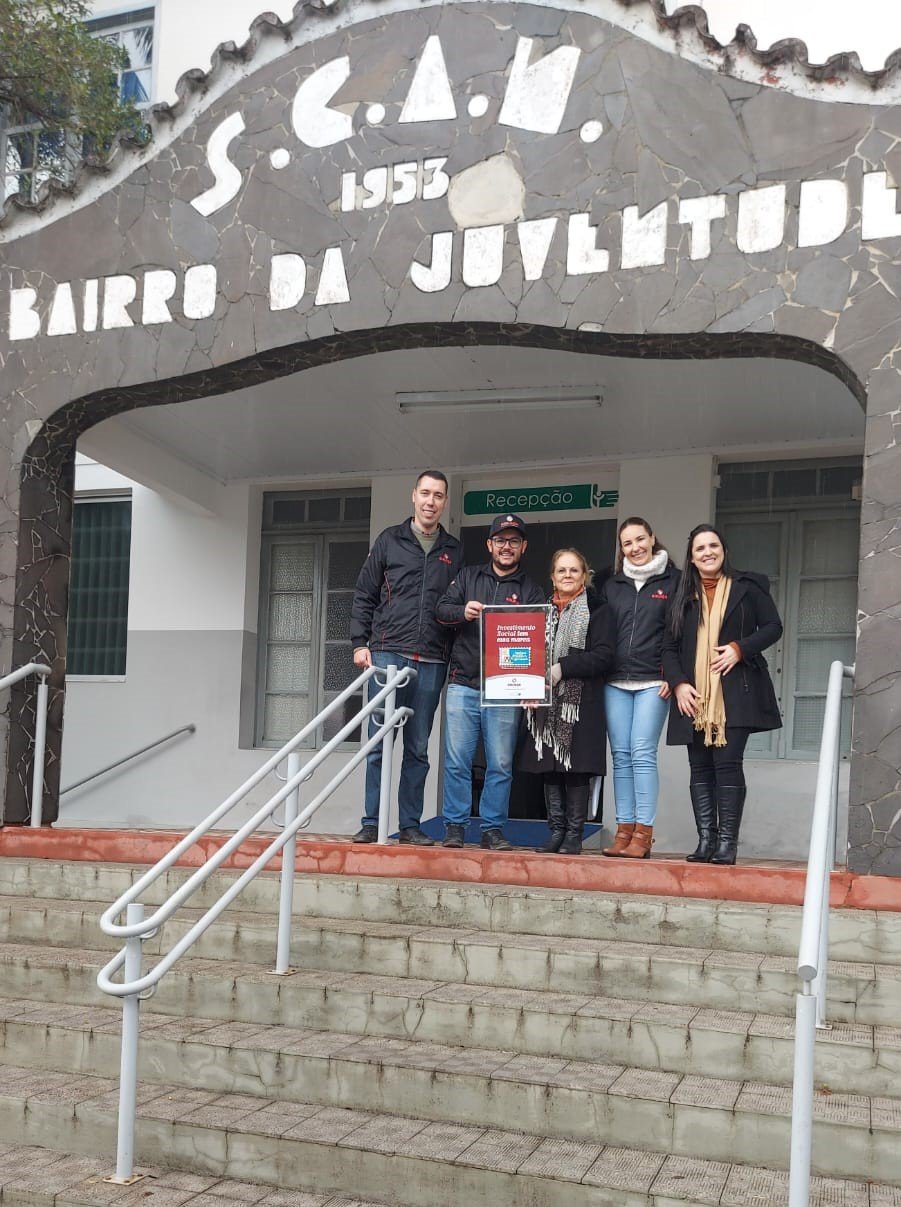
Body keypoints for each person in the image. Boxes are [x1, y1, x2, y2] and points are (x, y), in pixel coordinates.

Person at [350, 470, 464, 845]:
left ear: (445, 502)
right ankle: (372, 822)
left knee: (418, 748)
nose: (431, 501)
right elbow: (365, 593)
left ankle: (410, 825)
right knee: (379, 744)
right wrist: (359, 643)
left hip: (432, 660)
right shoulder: (389, 540)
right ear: (413, 496)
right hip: (387, 654)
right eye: (426, 493)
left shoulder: (454, 550)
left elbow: (456, 608)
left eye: (439, 495)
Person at [663, 524, 783, 865]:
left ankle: (727, 844)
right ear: (691, 556)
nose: (707, 552)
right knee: (699, 768)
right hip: (693, 693)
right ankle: (706, 841)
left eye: (713, 546)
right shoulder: (681, 593)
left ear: (723, 550)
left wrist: (739, 649)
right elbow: (668, 646)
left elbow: (774, 627)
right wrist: (679, 684)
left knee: (727, 764)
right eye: (700, 548)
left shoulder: (748, 586)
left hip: (736, 691)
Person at [436, 515, 545, 850]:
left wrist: (532, 688)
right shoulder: (467, 577)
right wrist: (462, 611)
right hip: (463, 683)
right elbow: (441, 609)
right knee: (457, 760)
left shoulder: (531, 590)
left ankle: (492, 829)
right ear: (489, 545)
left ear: (523, 547)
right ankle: (455, 825)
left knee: (499, 763)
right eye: (500, 540)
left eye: (513, 541)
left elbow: (537, 644)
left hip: (505, 688)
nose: (506, 547)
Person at [519, 548, 614, 855]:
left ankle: (574, 834)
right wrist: (527, 685)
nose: (568, 576)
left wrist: (563, 667)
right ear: (552, 577)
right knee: (549, 768)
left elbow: (604, 656)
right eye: (562, 571)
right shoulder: (539, 613)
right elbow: (527, 655)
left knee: (575, 770)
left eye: (574, 570)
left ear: (584, 574)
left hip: (581, 703)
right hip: (545, 704)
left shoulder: (599, 609)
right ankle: (555, 831)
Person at [600, 517, 680, 859]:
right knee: (620, 756)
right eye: (627, 543)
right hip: (615, 680)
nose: (634, 547)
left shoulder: (673, 581)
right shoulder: (611, 584)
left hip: (653, 680)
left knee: (642, 752)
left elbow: (680, 631)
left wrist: (671, 675)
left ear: (652, 538)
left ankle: (644, 835)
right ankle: (624, 831)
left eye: (639, 539)